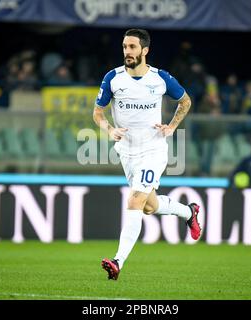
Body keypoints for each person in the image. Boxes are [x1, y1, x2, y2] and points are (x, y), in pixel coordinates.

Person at [93, 29, 202, 281]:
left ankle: (117, 261)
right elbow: (98, 113)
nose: (127, 52)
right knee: (149, 206)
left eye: (132, 47)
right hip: (127, 152)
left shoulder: (161, 79)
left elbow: (185, 101)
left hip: (153, 150)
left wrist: (172, 126)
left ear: (145, 50)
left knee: (134, 201)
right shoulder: (113, 78)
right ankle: (188, 212)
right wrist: (109, 129)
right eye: (124, 47)